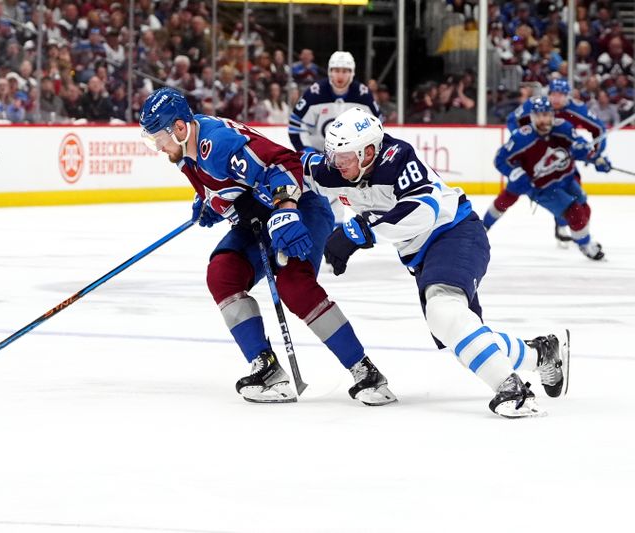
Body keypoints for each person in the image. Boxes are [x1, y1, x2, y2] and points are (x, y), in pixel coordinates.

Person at [305, 107, 569, 418]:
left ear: (369, 151)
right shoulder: (334, 168)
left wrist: (359, 233)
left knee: (443, 312)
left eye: (346, 156)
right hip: (423, 254)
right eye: (334, 154)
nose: (337, 164)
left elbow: (423, 210)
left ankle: (513, 389)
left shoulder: (398, 158)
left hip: (456, 233)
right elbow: (287, 168)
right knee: (458, 334)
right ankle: (542, 352)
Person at [139, 87, 396, 406]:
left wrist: (286, 209)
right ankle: (267, 370)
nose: (157, 146)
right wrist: (208, 201)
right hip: (258, 216)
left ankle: (366, 372)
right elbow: (227, 182)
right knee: (223, 274)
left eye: (157, 137)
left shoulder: (216, 143)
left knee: (294, 286)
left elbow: (286, 164)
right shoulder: (185, 149)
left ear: (179, 128)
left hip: (301, 206)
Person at [486, 78, 611, 245]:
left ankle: (565, 227)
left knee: (573, 190)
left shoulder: (575, 110)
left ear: (568, 96)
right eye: (554, 94)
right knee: (512, 192)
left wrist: (595, 155)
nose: (557, 99)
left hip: (561, 155)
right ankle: (483, 226)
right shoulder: (534, 105)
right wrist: (523, 139)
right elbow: (512, 120)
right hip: (532, 157)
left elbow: (598, 129)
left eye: (561, 95)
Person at [289, 51, 382, 226]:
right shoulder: (314, 93)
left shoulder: (363, 95)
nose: (340, 75)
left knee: (343, 199)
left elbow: (377, 127)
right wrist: (304, 150)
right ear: (330, 71)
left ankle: (336, 234)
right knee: (317, 200)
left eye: (345, 71)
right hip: (320, 158)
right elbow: (295, 126)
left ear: (352, 73)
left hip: (350, 159)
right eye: (336, 70)